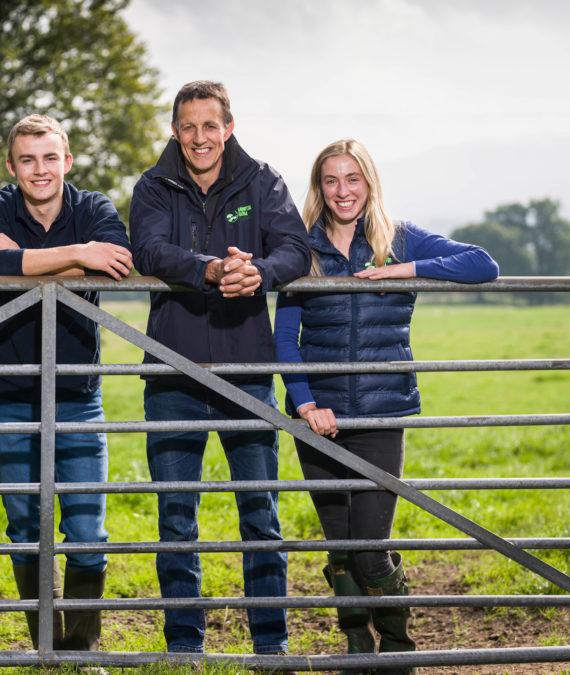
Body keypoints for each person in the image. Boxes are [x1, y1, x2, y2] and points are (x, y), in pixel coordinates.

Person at [273, 138, 498, 672]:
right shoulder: (300, 247)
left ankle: (396, 651)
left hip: (380, 414)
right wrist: (305, 405)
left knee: (370, 547)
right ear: (319, 187)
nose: (342, 190)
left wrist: (401, 269)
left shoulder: (399, 238)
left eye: (353, 178)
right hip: (318, 419)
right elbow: (284, 337)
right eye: (331, 180)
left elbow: (483, 264)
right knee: (339, 546)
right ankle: (357, 648)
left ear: (368, 182)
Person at [129, 80, 310, 659]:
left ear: (228, 127)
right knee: (176, 519)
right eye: (189, 127)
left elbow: (294, 249)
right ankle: (185, 649)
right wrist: (210, 270)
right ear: (175, 131)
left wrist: (259, 273)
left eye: (211, 126)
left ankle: (271, 649)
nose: (200, 137)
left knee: (260, 515)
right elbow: (149, 251)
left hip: (248, 370)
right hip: (173, 376)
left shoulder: (263, 181)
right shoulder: (153, 186)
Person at [0, 114, 132, 652]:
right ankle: (45, 648)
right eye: (27, 159)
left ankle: (79, 652)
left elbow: (117, 264)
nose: (39, 170)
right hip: (7, 394)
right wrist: (78, 255)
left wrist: (28, 264)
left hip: (77, 394)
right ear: (12, 166)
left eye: (49, 157)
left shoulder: (95, 208)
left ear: (68, 160)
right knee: (25, 530)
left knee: (89, 533)